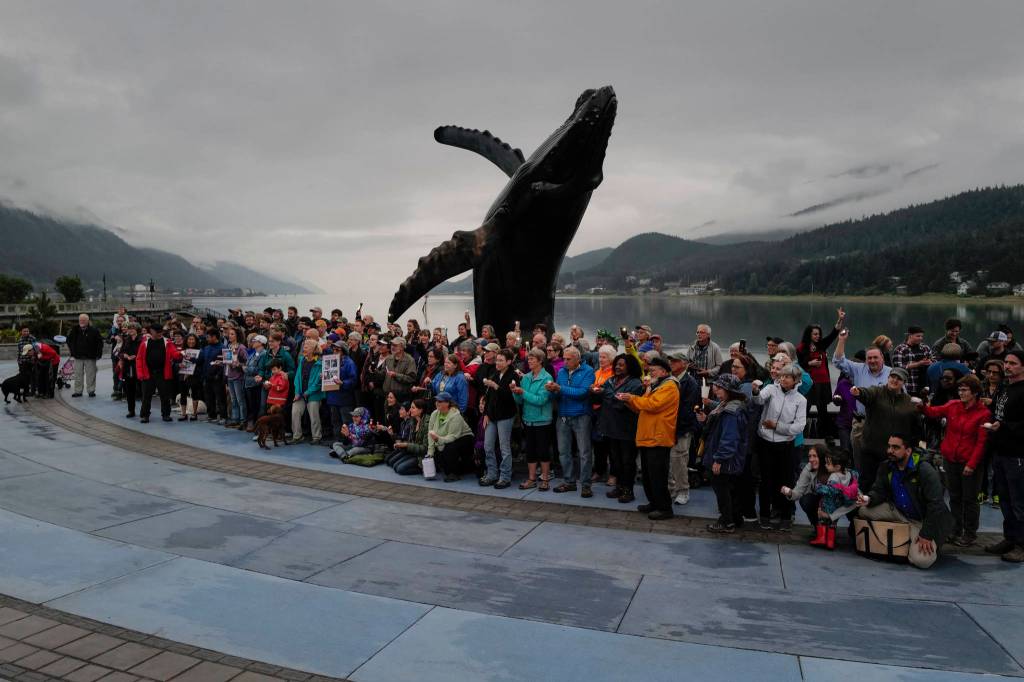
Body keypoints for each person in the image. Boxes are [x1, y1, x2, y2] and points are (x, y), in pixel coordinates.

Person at [856, 434, 954, 570]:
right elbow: (879, 490)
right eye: (889, 446)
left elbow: (936, 505)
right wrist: (869, 498)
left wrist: (926, 534)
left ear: (908, 451)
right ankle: (905, 534)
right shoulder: (886, 466)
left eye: (895, 447)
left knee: (922, 561)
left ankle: (911, 536)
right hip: (900, 513)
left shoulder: (925, 470)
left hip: (923, 521)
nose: (890, 450)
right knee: (863, 510)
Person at [918, 374, 989, 546]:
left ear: (975, 393)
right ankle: (956, 529)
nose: (961, 393)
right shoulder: (953, 405)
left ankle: (970, 533)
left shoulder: (984, 414)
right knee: (955, 497)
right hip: (950, 459)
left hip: (969, 462)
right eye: (960, 389)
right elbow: (934, 412)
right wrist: (923, 407)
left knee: (970, 499)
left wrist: (972, 464)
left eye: (964, 390)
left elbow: (982, 443)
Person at [618, 355, 679, 520]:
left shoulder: (670, 386)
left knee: (658, 475)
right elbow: (641, 406)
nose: (650, 372)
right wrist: (629, 400)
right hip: (648, 436)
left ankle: (665, 508)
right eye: (649, 370)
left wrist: (631, 397)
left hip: (658, 437)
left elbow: (652, 405)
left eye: (653, 370)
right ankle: (654, 503)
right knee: (648, 474)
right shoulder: (656, 385)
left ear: (664, 371)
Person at [849, 367, 920, 500]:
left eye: (898, 378)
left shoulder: (909, 402)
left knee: (891, 486)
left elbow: (916, 427)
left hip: (894, 455)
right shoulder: (877, 392)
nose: (894, 380)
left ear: (904, 382)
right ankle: (861, 516)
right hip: (871, 450)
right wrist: (858, 392)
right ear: (888, 378)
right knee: (866, 484)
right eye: (892, 376)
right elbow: (866, 393)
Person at [751, 364, 807, 531]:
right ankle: (765, 516)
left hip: (786, 445)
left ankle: (786, 516)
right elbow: (759, 399)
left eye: (787, 377)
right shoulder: (770, 389)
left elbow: (799, 427)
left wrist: (777, 426)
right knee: (766, 480)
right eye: (781, 376)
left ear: (796, 380)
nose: (783, 379)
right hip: (766, 442)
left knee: (786, 481)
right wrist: (755, 391)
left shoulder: (800, 400)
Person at [833, 327, 891, 476]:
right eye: (869, 358)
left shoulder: (892, 373)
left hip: (882, 424)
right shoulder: (859, 369)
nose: (872, 361)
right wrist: (841, 340)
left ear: (882, 358)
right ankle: (861, 492)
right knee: (860, 462)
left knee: (883, 462)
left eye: (875, 357)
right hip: (860, 424)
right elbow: (838, 361)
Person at [985, 349, 1024, 562]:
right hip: (1000, 451)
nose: (1007, 366)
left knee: (1019, 501)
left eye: (1013, 363)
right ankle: (1010, 538)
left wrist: (1004, 426)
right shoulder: (1004, 388)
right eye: (1006, 362)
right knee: (1005, 499)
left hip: (1017, 454)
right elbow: (997, 412)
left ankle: (1021, 544)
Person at [698, 374, 749, 533]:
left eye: (720, 387)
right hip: (728, 456)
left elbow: (729, 437)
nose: (715, 389)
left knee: (722, 490)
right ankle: (735, 518)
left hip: (724, 458)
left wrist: (718, 459)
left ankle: (727, 522)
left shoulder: (730, 411)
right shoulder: (729, 405)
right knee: (729, 488)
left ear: (729, 390)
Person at [549, 346, 597, 497]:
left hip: (581, 415)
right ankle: (569, 482)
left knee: (584, 452)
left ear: (578, 359)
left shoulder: (588, 371)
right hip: (563, 415)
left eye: (568, 359)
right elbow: (559, 393)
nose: (565, 362)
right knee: (563, 452)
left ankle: (586, 485)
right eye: (564, 358)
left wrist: (560, 388)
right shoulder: (562, 371)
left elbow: (583, 392)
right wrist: (551, 391)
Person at [595, 353, 643, 503]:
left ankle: (628, 490)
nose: (617, 367)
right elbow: (605, 397)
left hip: (627, 429)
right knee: (615, 460)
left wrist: (605, 392)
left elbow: (621, 403)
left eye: (621, 365)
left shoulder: (636, 384)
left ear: (630, 367)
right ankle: (620, 487)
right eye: (616, 364)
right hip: (610, 428)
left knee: (628, 461)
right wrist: (595, 391)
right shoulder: (611, 380)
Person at [796, 308, 845, 438]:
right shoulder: (801, 348)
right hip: (809, 383)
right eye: (815, 334)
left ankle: (825, 435)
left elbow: (834, 334)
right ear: (809, 335)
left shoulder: (822, 345)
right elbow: (799, 365)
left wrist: (840, 319)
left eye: (818, 334)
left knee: (822, 410)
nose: (818, 336)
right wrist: (809, 364)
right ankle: (799, 434)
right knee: (804, 409)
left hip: (823, 382)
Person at [512, 348, 555, 491]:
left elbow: (541, 400)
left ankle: (545, 479)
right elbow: (519, 401)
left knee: (543, 450)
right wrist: (515, 391)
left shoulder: (547, 378)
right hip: (528, 419)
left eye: (532, 359)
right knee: (530, 451)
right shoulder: (525, 377)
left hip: (542, 420)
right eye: (528, 359)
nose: (529, 361)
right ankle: (531, 479)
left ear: (540, 361)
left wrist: (523, 392)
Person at [480, 348, 518, 488]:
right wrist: (485, 414)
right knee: (488, 445)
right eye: (497, 360)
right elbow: (489, 397)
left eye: (501, 360)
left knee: (504, 447)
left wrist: (496, 386)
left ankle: (505, 476)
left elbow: (511, 398)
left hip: (506, 415)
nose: (498, 362)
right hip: (492, 415)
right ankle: (491, 474)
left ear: (509, 361)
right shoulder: (495, 374)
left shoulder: (513, 375)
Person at [807, 449, 859, 550]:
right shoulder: (849, 474)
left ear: (837, 467)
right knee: (833, 523)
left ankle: (821, 538)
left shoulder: (834, 476)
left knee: (822, 520)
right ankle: (830, 541)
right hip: (839, 504)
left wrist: (818, 487)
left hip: (828, 503)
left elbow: (830, 490)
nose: (826, 465)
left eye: (828, 464)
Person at [668, 351, 701, 505]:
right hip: (668, 427)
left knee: (679, 459)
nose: (671, 363)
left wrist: (674, 424)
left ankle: (683, 491)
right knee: (669, 460)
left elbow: (688, 409)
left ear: (684, 364)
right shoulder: (669, 379)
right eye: (671, 361)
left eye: (675, 361)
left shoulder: (691, 383)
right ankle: (672, 488)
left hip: (682, 428)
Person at [136, 323, 182, 423]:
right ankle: (145, 415)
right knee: (146, 396)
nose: (159, 334)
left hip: (163, 373)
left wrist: (181, 354)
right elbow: (139, 359)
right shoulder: (145, 343)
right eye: (157, 332)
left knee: (165, 395)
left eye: (160, 332)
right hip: (148, 373)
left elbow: (174, 353)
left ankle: (166, 414)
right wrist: (140, 373)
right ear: (152, 332)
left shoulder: (167, 342)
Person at [427, 392, 476, 481]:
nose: (437, 403)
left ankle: (455, 474)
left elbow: (453, 437)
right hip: (444, 439)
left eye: (440, 401)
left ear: (447, 403)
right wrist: (430, 452)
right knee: (443, 461)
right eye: (436, 401)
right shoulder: (434, 414)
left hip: (465, 438)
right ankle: (462, 468)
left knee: (449, 447)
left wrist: (438, 439)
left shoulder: (455, 416)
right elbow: (430, 433)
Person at [782, 443, 831, 529]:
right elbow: (799, 490)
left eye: (815, 456)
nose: (811, 459)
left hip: (835, 501)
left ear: (822, 456)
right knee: (805, 500)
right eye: (809, 456)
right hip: (818, 499)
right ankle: (818, 527)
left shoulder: (833, 466)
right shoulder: (808, 468)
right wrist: (790, 493)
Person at [291, 339, 324, 444]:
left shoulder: (320, 363)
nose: (304, 347)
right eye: (304, 345)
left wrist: (307, 392)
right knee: (295, 412)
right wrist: (297, 392)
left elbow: (318, 383)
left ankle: (317, 437)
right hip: (300, 393)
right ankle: (297, 436)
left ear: (314, 349)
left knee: (314, 415)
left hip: (314, 394)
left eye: (307, 346)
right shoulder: (302, 359)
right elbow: (297, 377)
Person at [67, 313, 104, 397]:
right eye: (80, 320)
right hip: (78, 356)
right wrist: (72, 351)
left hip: (90, 357)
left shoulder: (94, 330)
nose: (82, 321)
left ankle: (91, 391)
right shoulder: (74, 330)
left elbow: (100, 343)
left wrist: (98, 354)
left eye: (84, 320)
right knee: (77, 375)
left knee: (91, 375)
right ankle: (78, 391)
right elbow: (69, 340)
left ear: (88, 321)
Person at [891, 326, 933, 397]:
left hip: (925, 387)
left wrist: (930, 362)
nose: (920, 338)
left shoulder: (925, 348)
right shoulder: (900, 349)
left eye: (922, 336)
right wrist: (919, 364)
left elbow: (934, 360)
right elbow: (898, 368)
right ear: (910, 336)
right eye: (918, 336)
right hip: (908, 387)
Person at [197, 328, 227, 424]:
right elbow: (200, 361)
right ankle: (211, 416)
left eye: (208, 337)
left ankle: (223, 417)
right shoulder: (206, 348)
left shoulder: (223, 348)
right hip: (206, 377)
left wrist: (219, 375)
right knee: (209, 398)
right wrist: (189, 358)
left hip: (218, 378)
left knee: (220, 398)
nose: (207, 339)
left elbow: (225, 364)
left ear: (214, 337)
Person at [224, 327, 249, 428]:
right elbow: (227, 360)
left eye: (232, 334)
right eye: (229, 334)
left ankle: (243, 420)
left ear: (237, 336)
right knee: (233, 400)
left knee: (240, 400)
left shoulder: (241, 347)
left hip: (238, 376)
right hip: (230, 375)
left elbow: (247, 362)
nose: (230, 336)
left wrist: (239, 364)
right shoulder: (229, 346)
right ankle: (235, 419)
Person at [178, 333, 203, 421]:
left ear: (196, 341)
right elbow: (176, 361)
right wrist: (179, 365)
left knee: (195, 394)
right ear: (186, 340)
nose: (191, 341)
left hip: (194, 375)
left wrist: (190, 359)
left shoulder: (200, 351)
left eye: (193, 339)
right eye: (189, 339)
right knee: (183, 394)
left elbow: (200, 362)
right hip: (183, 374)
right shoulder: (182, 351)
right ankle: (183, 414)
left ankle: (194, 414)